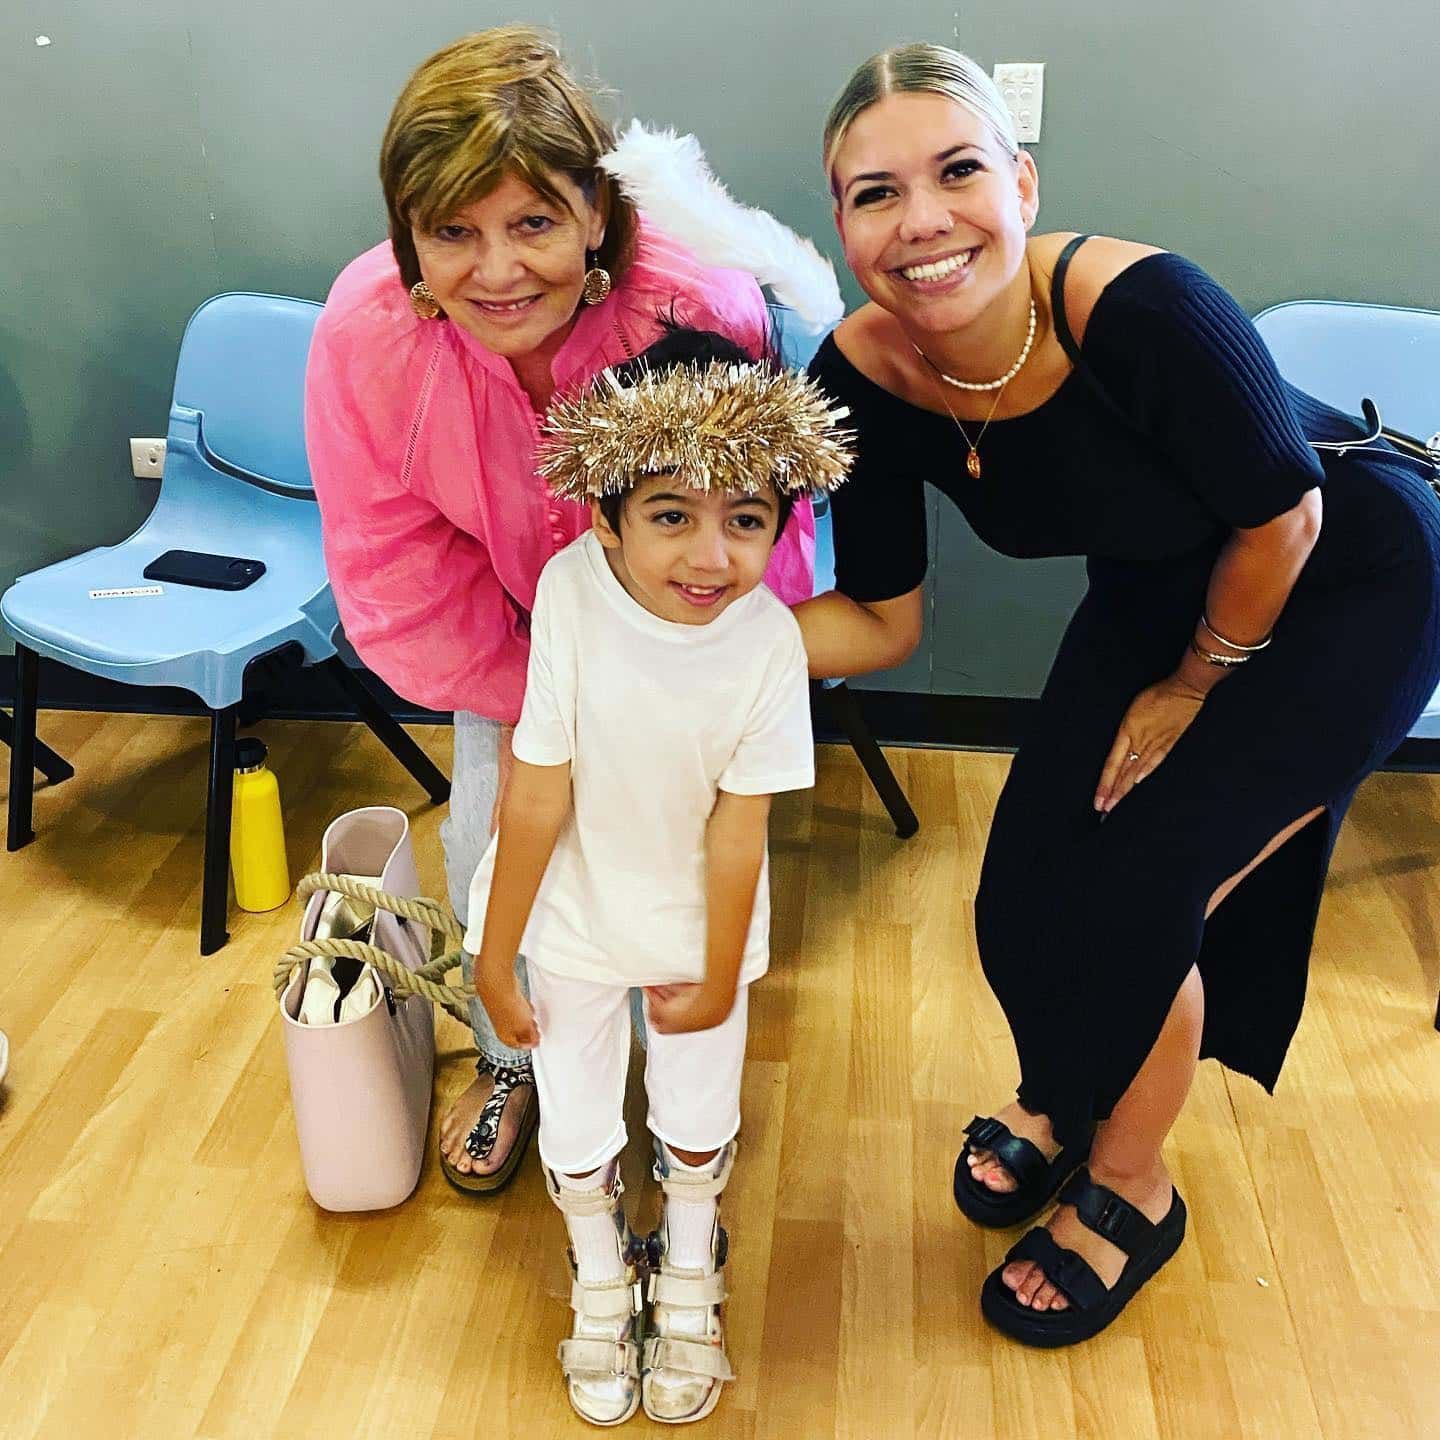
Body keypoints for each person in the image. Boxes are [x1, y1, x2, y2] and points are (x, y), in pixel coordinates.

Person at [798, 42, 1440, 1346]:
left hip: (1344, 574)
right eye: (875, 193)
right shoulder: (856, 378)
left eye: (958, 170)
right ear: (842, 222)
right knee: (1029, 878)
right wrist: (664, 638)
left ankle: (1132, 1185)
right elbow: (881, 619)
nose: (921, 220)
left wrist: (1199, 682)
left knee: (1144, 884)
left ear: (1021, 184)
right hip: (1165, 578)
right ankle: (1069, 1093)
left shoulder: (1143, 310)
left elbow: (1288, 521)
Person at [304, 26, 814, 1194]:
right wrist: (553, 714)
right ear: (409, 236)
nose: (497, 271)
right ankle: (515, 1062)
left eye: (532, 222)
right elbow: (397, 559)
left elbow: (747, 534)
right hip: (509, 647)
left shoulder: (697, 314)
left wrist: (657, 694)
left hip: (680, 648)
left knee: (677, 862)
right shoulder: (367, 341)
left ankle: (666, 1066)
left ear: (595, 210)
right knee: (494, 836)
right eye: (453, 234)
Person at [463, 327, 850, 1424]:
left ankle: (688, 1266)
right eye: (671, 514)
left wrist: (723, 975)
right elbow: (536, 786)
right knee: (579, 1112)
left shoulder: (770, 640)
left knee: (694, 1112)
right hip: (571, 916)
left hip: (697, 922)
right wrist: (498, 960)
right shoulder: (570, 595)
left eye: (746, 522)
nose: (708, 557)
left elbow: (742, 828)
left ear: (779, 526)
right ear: (606, 514)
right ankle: (597, 1273)